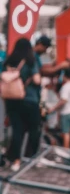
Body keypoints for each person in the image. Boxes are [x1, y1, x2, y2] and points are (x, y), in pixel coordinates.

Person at [2, 38, 42, 171]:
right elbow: (37, 80)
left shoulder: (9, 60)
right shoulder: (31, 60)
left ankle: (16, 161)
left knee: (17, 130)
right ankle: (33, 158)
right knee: (34, 129)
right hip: (29, 99)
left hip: (11, 101)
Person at [46, 65, 70, 148]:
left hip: (66, 112)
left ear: (63, 75)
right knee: (69, 132)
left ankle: (66, 152)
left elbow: (63, 100)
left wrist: (53, 108)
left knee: (66, 133)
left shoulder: (66, 86)